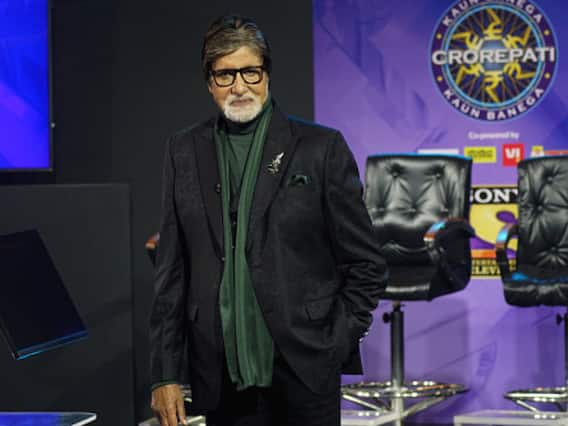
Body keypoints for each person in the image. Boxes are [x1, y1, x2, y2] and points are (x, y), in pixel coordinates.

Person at [149, 14, 387, 426]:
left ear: (267, 75)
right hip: (219, 374)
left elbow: (367, 263)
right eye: (225, 75)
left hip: (305, 366)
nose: (239, 86)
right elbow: (171, 273)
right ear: (209, 83)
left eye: (250, 72)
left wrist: (334, 340)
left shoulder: (320, 148)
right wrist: (164, 373)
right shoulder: (183, 151)